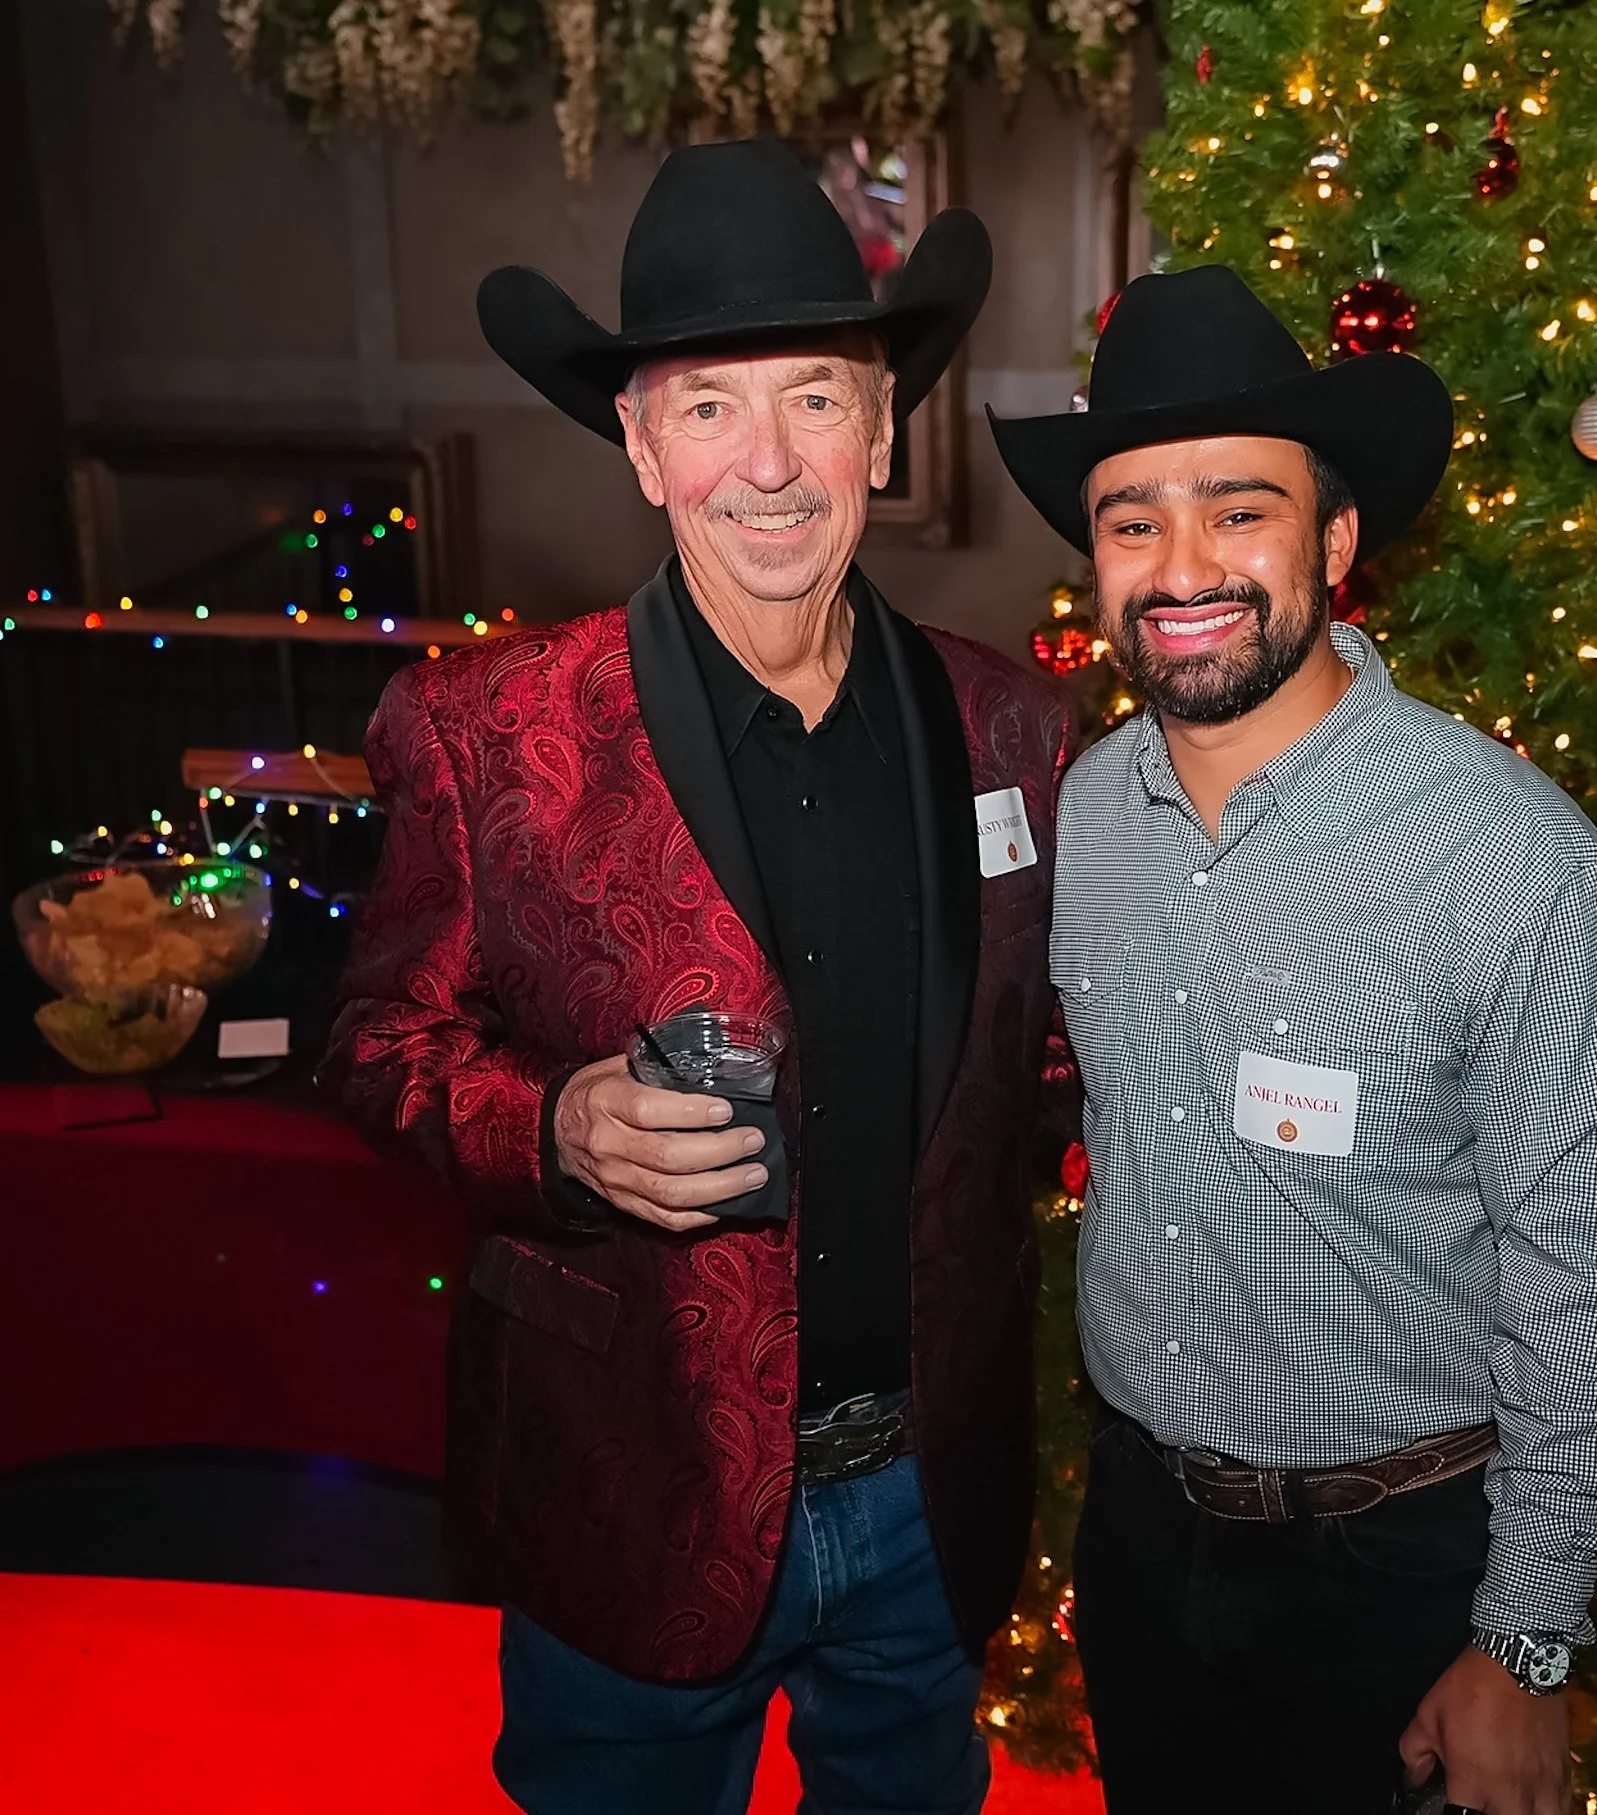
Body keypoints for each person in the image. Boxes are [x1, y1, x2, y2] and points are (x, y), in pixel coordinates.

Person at [325, 140, 1071, 1815]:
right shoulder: (484, 736)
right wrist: (554, 1127)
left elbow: (1051, 1073)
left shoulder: (1016, 731)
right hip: (629, 1482)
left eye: (815, 396)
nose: (772, 461)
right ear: (644, 448)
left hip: (926, 1498)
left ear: (884, 430)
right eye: (711, 405)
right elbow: (381, 1046)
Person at [989, 265, 1597, 1815]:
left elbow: (1595, 1267)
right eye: (1132, 518)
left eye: (1241, 508)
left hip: (1404, 1575)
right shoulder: (1085, 813)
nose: (1183, 563)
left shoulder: (1507, 856)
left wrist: (1526, 1637)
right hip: (1142, 1541)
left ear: (1338, 539)